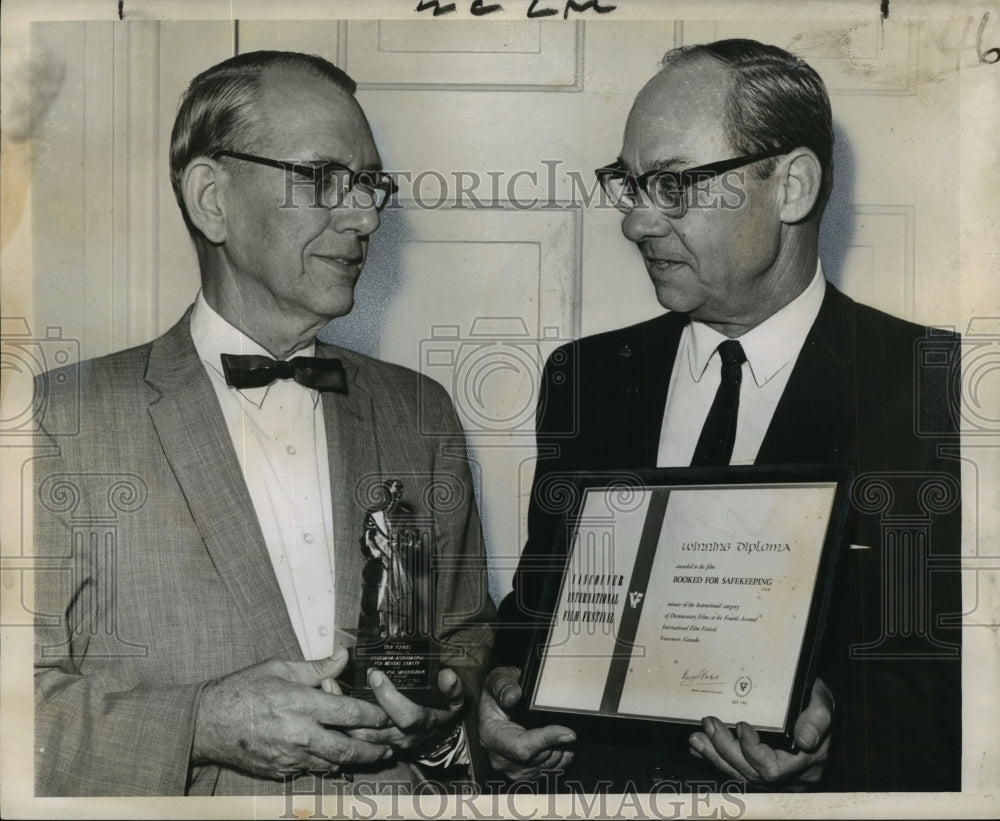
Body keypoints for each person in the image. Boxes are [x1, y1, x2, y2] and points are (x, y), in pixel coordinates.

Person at [480, 39, 962, 793]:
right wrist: (500, 694)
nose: (635, 223)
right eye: (629, 185)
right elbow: (539, 610)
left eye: (673, 186)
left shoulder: (939, 388)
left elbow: (960, 687)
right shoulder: (588, 378)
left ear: (792, 186)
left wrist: (839, 752)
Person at [33, 51, 494, 796]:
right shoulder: (54, 422)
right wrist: (201, 723)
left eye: (370, 183)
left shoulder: (421, 411)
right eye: (322, 179)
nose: (366, 215)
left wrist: (446, 695)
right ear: (212, 198)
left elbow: (469, 629)